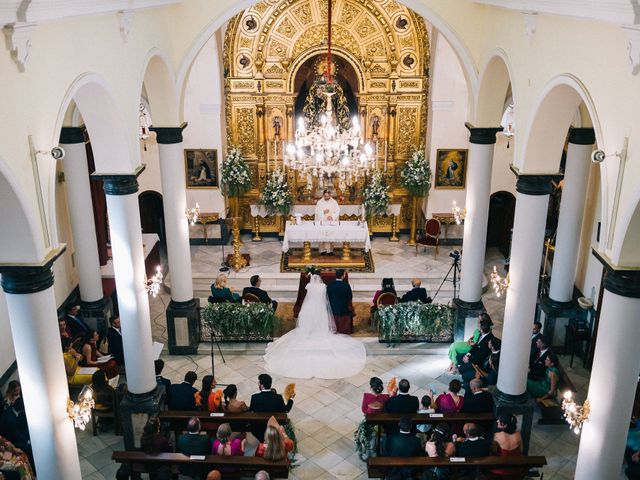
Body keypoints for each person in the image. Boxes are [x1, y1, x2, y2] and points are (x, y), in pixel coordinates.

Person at [263, 274, 366, 380]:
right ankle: (318, 332)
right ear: (319, 279)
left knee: (308, 323)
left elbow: (307, 295)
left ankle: (309, 332)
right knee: (320, 323)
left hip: (309, 307)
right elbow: (326, 299)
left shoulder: (309, 286)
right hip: (320, 308)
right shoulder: (323, 287)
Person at [249, 374, 294, 442]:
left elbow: (251, 410)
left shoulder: (255, 397)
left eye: (259, 383)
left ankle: (263, 440)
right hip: (274, 427)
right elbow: (286, 410)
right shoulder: (278, 397)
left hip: (259, 428)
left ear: (262, 385)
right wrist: (291, 398)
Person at [326, 269, 354, 334]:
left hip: (333, 309)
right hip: (343, 308)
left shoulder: (330, 285)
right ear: (342, 276)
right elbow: (350, 297)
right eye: (344, 274)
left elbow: (327, 297)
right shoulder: (346, 285)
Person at [314, 189, 340, 255]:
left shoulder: (334, 202)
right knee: (322, 235)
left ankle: (330, 251)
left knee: (331, 235)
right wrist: (323, 212)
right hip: (322, 222)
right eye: (325, 196)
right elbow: (316, 212)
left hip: (331, 222)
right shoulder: (319, 202)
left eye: (328, 196)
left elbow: (337, 211)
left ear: (330, 195)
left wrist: (332, 217)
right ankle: (322, 251)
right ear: (323, 195)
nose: (327, 197)